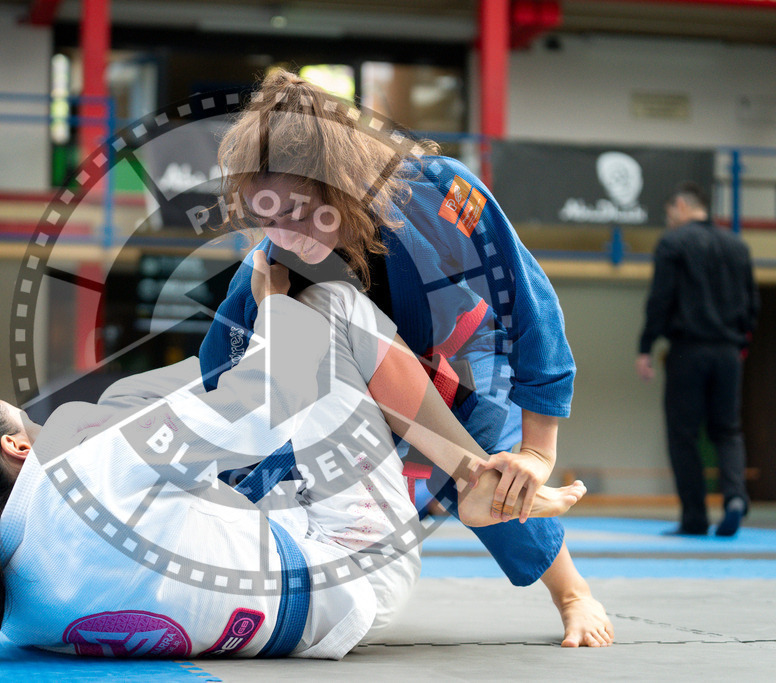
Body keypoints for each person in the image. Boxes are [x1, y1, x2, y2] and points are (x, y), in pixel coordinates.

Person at [0, 255, 586, 655]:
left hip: (290, 598)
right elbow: (281, 385)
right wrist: (269, 298)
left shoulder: (8, 610)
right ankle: (470, 474)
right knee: (330, 304)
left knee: (180, 420)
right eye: (27, 417)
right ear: (15, 442)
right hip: (357, 561)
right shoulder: (93, 466)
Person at [197, 69, 612, 647]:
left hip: (451, 353)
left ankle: (574, 592)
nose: (287, 234)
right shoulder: (266, 271)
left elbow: (527, 302)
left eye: (302, 212)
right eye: (270, 220)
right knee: (257, 464)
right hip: (348, 385)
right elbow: (221, 385)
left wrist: (539, 450)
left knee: (491, 456)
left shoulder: (435, 191)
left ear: (340, 181)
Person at [636, 182, 759, 537]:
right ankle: (735, 498)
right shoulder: (738, 245)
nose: (669, 219)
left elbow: (661, 299)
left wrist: (645, 346)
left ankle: (695, 518)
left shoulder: (673, 243)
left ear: (680, 206)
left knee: (683, 434)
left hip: (688, 350)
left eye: (669, 212)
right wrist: (742, 343)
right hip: (728, 352)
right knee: (728, 430)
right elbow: (752, 302)